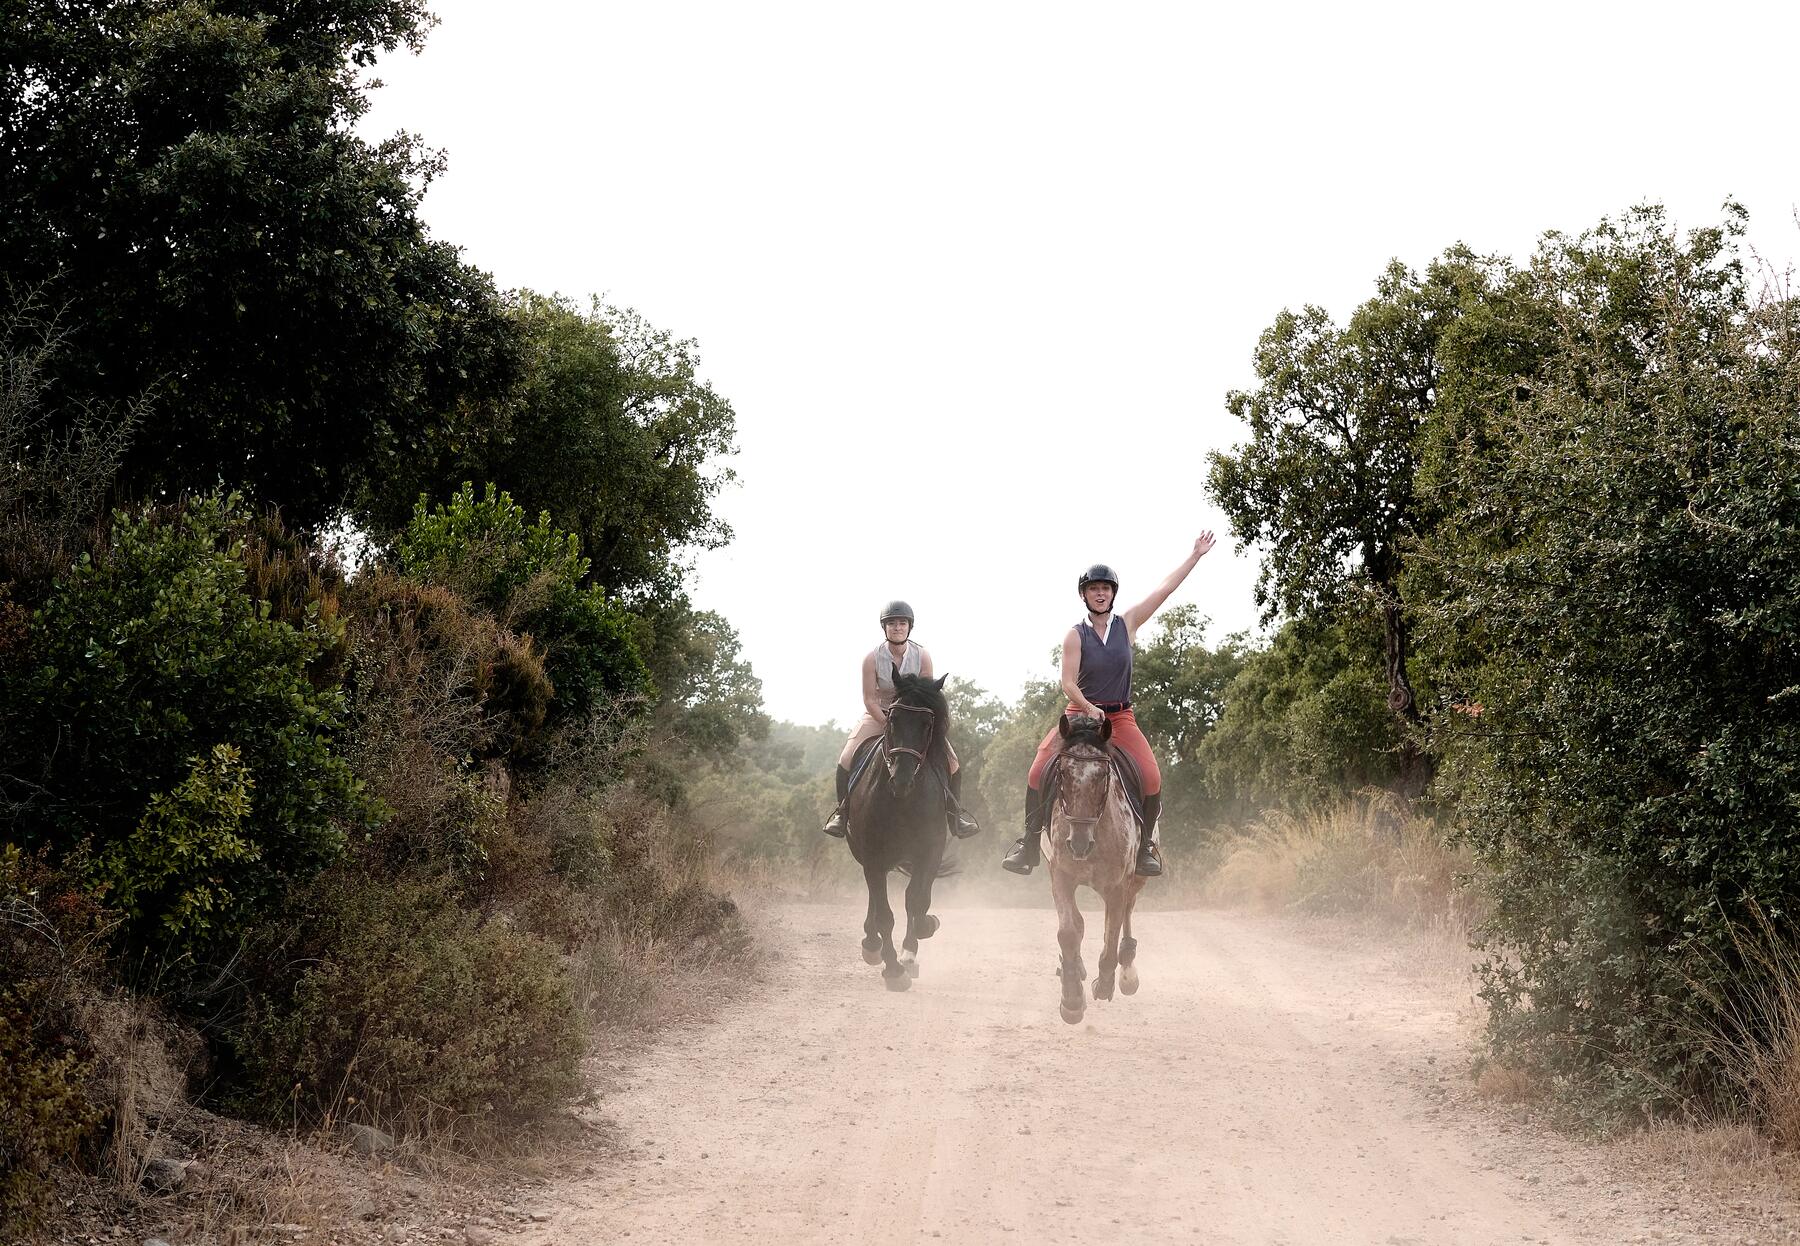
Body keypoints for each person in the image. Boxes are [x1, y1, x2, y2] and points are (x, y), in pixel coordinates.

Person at [1001, 535, 1217, 877]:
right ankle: (1028, 844)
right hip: (1078, 717)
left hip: (1119, 717)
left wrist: (1194, 556)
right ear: (1084, 595)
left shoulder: (1127, 624)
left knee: (1151, 776)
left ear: (1113, 593)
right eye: (1093, 589)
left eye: (1105, 588)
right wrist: (1087, 707)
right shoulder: (1075, 635)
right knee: (1036, 771)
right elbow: (1068, 683)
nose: (1100, 593)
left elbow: (1163, 591)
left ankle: (1145, 846)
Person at [822, 601, 980, 840]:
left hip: (913, 718)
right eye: (892, 623)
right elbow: (869, 698)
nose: (897, 627)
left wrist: (910, 724)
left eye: (902, 623)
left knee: (953, 761)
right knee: (846, 756)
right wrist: (889, 723)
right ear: (884, 627)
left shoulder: (922, 655)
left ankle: (955, 816)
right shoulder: (871, 658)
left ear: (909, 627)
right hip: (880, 714)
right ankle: (842, 813)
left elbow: (927, 696)